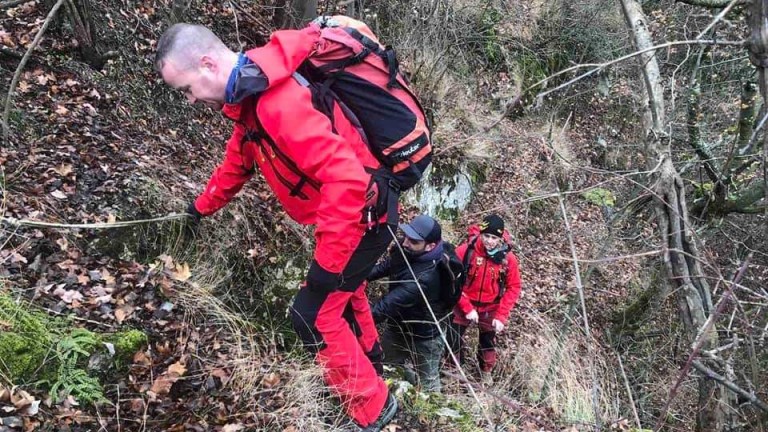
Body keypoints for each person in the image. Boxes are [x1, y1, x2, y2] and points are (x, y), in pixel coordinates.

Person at [154, 23, 398, 431]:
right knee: (346, 295)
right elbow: (235, 166)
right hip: (354, 215)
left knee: (312, 314)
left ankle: (373, 409)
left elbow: (347, 181)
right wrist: (198, 209)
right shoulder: (251, 106)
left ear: (208, 63)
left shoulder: (277, 103)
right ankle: (371, 361)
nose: (191, 100)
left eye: (187, 89)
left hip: (364, 217)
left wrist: (325, 266)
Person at [367, 215, 449, 393]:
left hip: (426, 335)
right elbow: (385, 267)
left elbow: (386, 306)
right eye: (406, 236)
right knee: (387, 366)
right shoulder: (407, 251)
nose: (405, 243)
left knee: (428, 381)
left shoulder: (426, 277)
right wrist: (353, 278)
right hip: (398, 326)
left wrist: (350, 321)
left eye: (414, 241)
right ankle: (399, 391)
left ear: (430, 246)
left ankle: (433, 415)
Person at [448, 214, 521, 382]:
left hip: (491, 307)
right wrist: (466, 307)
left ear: (500, 238)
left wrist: (501, 315)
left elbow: (514, 287)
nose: (489, 241)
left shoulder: (507, 259)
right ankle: (452, 371)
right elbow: (452, 280)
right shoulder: (466, 251)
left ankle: (485, 371)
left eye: (494, 237)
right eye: (486, 236)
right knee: (453, 337)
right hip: (464, 301)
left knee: (487, 342)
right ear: (480, 233)